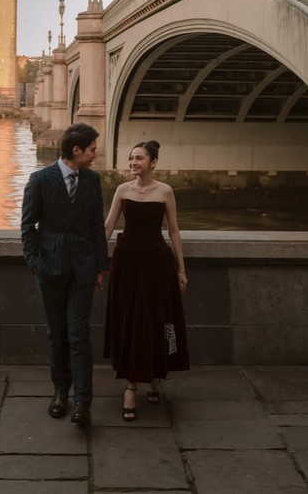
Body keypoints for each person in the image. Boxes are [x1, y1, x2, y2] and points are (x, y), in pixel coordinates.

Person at [21, 122, 109, 427]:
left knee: (79, 334)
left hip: (83, 269)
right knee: (56, 334)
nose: (95, 154)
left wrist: (101, 267)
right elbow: (27, 225)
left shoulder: (92, 180)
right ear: (76, 150)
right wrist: (34, 261)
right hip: (50, 268)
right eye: (92, 150)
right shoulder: (40, 179)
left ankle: (83, 401)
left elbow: (96, 226)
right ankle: (60, 391)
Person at [103, 140, 189, 422]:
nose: (133, 163)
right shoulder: (122, 190)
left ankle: (155, 375)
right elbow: (108, 227)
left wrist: (181, 270)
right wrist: (95, 263)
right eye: (131, 158)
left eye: (139, 158)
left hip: (157, 265)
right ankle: (130, 386)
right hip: (127, 265)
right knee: (131, 321)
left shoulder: (165, 191)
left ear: (153, 163)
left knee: (160, 321)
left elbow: (173, 231)